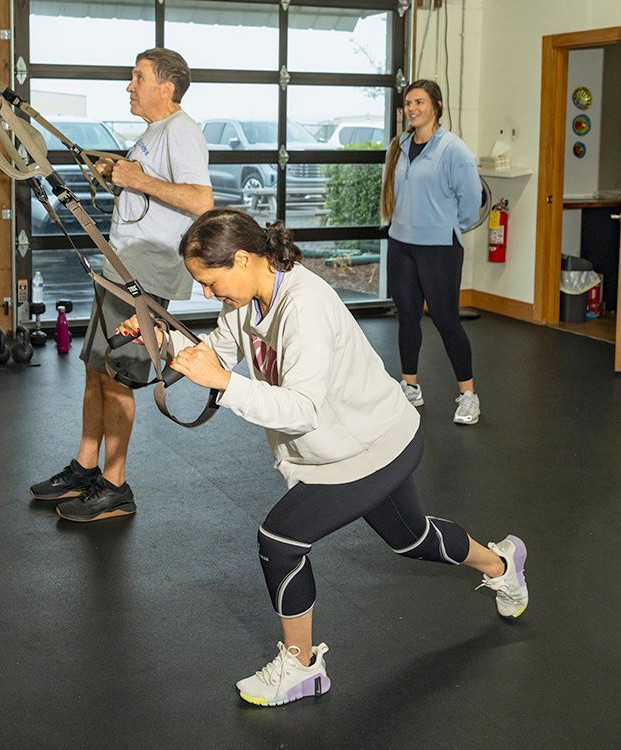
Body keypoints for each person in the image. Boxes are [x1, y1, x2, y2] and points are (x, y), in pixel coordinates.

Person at [120, 208, 528, 707]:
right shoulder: (245, 303)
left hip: (373, 445)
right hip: (357, 442)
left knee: (281, 540)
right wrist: (162, 342)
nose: (208, 293)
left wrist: (224, 384)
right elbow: (217, 354)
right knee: (411, 539)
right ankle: (503, 564)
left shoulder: (304, 307)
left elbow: (302, 409)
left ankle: (304, 666)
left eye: (211, 282)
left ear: (245, 259)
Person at [28, 48, 214, 522]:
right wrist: (121, 176)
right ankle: (85, 469)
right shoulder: (154, 135)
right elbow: (150, 193)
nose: (129, 86)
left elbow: (200, 201)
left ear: (166, 87)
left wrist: (139, 178)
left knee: (118, 376)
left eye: (138, 77)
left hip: (147, 272)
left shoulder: (182, 131)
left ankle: (115, 486)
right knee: (97, 370)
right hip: (123, 265)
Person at [380, 79, 484, 425]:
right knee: (407, 316)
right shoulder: (400, 144)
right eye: (408, 103)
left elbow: (471, 201)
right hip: (401, 244)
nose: (412, 109)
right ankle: (410, 386)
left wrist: (447, 225)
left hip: (439, 248)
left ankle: (468, 395)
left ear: (436, 105)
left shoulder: (454, 150)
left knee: (445, 319)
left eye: (419, 102)